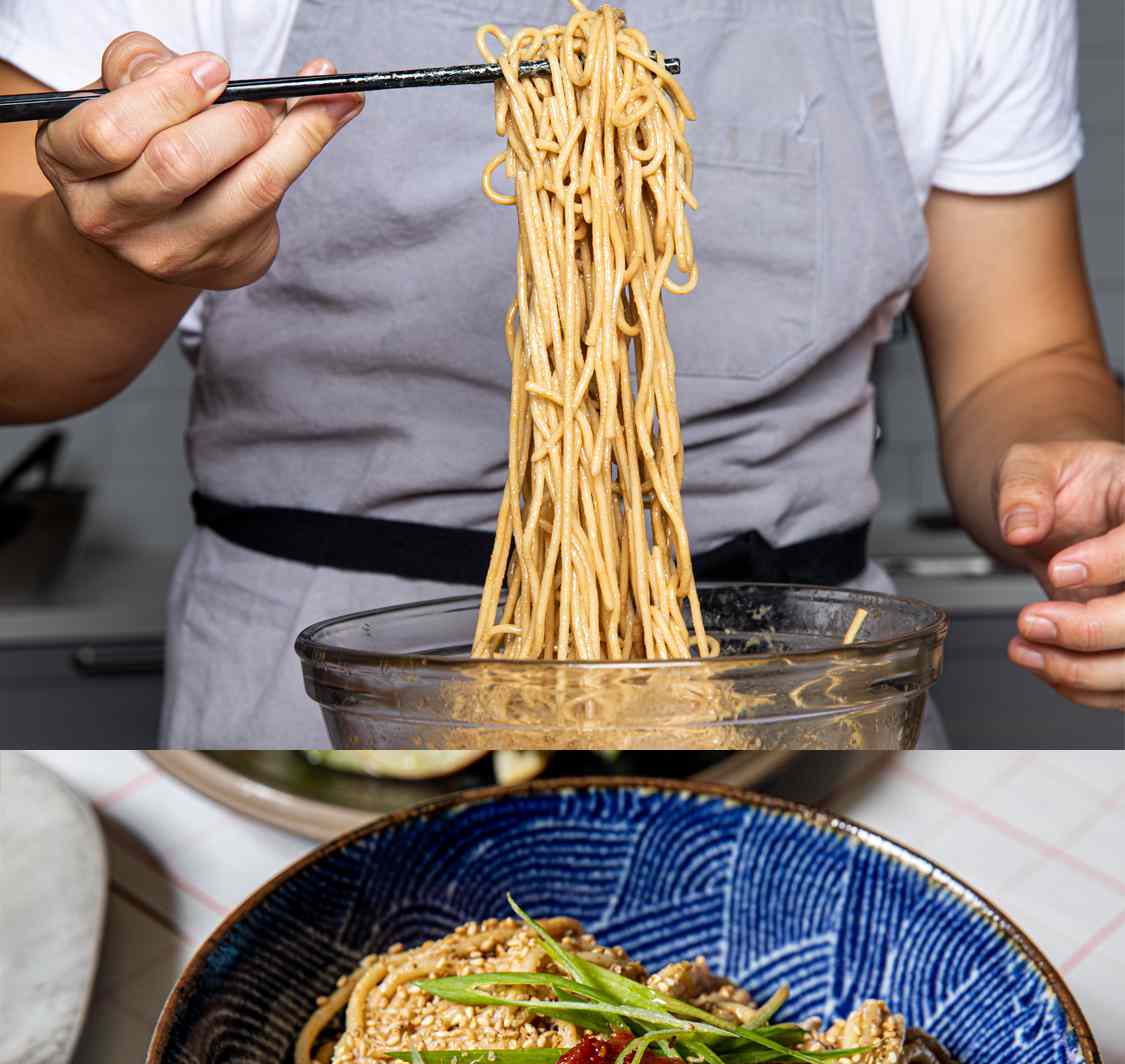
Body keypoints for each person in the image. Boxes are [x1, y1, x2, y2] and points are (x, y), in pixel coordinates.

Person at [0, 0, 1122, 746]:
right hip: (331, 699)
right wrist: (111, 248)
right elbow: (19, 353)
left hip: (797, 691)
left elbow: (1022, 357)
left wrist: (1066, 474)